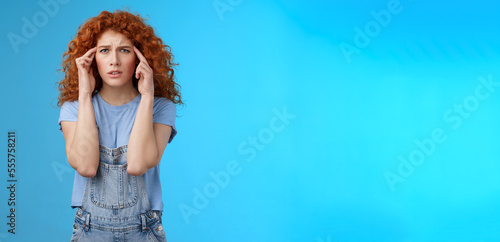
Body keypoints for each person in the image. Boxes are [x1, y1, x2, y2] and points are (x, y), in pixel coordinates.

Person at [56, 9, 183, 242]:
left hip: (144, 229)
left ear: (140, 57)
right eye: (104, 51)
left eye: (124, 50)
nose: (114, 60)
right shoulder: (73, 109)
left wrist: (146, 96)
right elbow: (86, 167)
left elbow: (137, 164)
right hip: (90, 229)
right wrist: (84, 95)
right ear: (93, 58)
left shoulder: (160, 108)